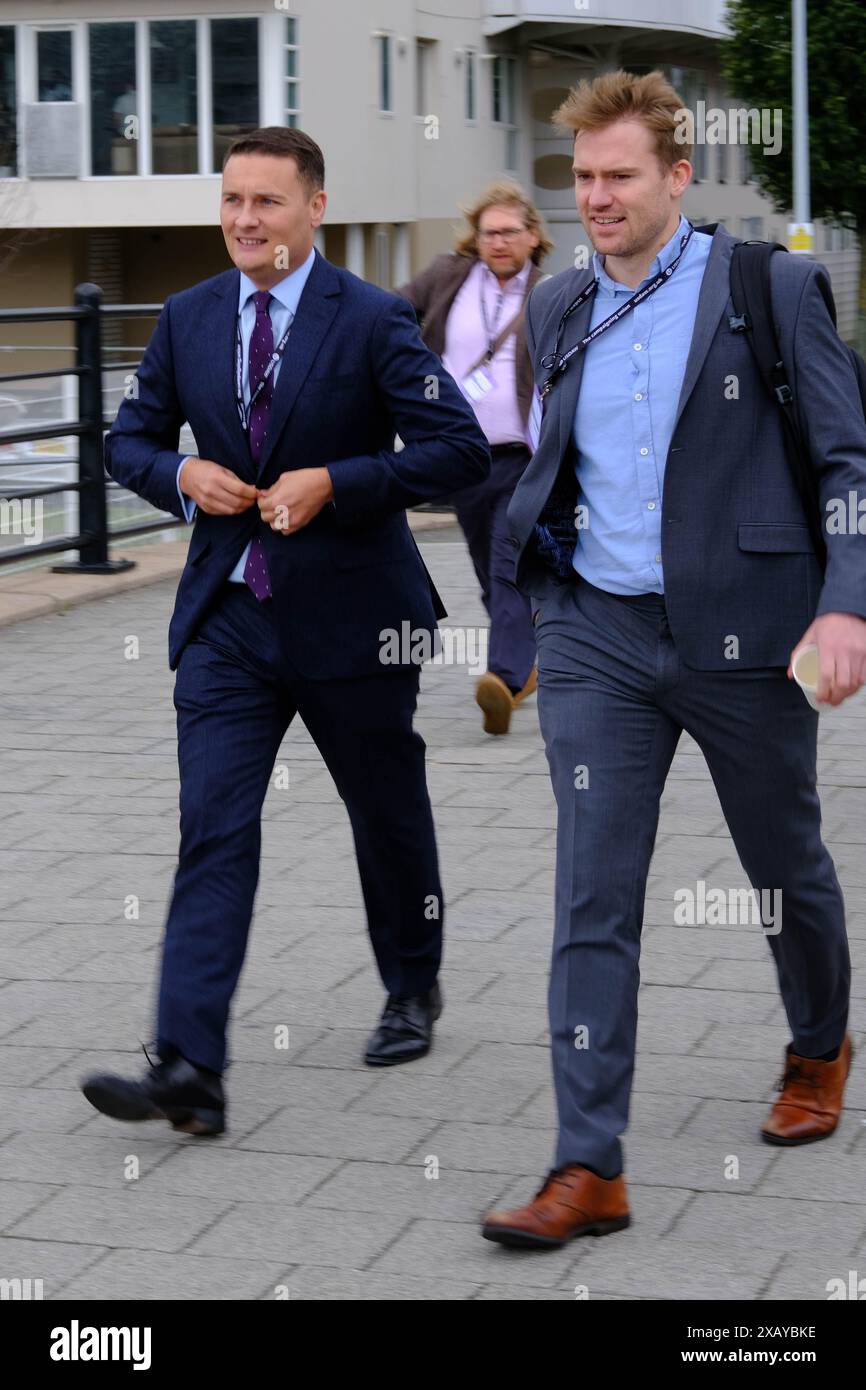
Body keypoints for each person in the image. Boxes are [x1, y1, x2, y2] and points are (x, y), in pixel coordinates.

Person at [481, 70, 866, 1248]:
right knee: (590, 893)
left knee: (780, 859)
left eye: (617, 177)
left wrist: (843, 605)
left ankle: (817, 1043)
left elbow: (847, 468)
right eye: (581, 178)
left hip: (749, 635)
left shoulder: (771, 286)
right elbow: (556, 463)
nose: (594, 197)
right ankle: (585, 1165)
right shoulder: (553, 306)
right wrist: (536, 598)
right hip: (598, 634)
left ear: (676, 177)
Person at [80, 126, 489, 1137]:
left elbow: (457, 449)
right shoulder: (187, 317)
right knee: (213, 828)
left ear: (313, 207)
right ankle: (190, 1065)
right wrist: (178, 475)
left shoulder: (375, 319)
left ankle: (410, 983)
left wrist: (337, 483)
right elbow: (123, 439)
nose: (244, 220)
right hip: (229, 617)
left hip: (357, 618)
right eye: (231, 201)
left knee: (383, 812)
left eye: (266, 201)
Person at [397, 181, 551, 735]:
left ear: (533, 236)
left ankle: (504, 679)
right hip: (459, 454)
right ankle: (527, 661)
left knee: (508, 563)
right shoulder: (448, 277)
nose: (499, 241)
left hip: (521, 456)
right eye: (490, 232)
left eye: (511, 231)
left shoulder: (551, 292)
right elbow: (392, 311)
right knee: (488, 570)